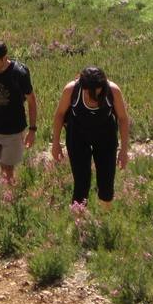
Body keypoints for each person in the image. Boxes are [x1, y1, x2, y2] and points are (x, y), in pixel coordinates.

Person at [51, 66, 130, 208]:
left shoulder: (113, 91)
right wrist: (55, 143)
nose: (93, 97)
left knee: (106, 182)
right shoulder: (71, 90)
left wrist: (124, 150)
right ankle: (79, 223)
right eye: (89, 93)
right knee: (81, 182)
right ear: (82, 86)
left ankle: (105, 219)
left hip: (105, 135)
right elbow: (59, 115)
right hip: (78, 135)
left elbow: (123, 119)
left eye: (97, 93)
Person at [0, 41, 37, 194]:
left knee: (7, 170)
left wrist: (32, 129)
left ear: (5, 58)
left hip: (13, 129)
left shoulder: (19, 73)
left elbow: (31, 100)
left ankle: (8, 203)